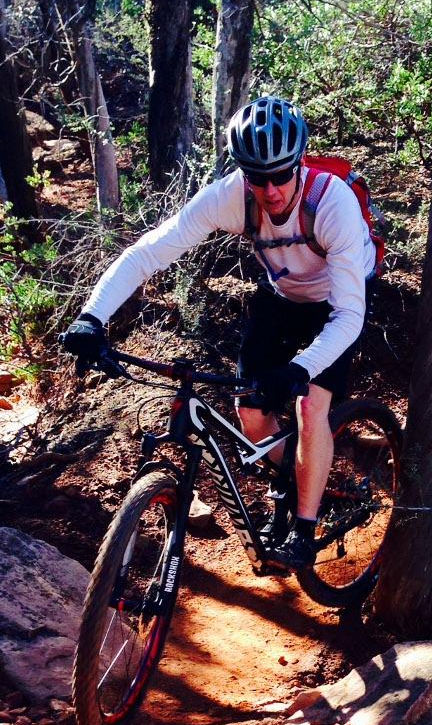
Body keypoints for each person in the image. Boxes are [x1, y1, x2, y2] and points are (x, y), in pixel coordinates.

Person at [61, 95, 378, 570]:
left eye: (280, 175)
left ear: (299, 163)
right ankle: (300, 478)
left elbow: (349, 317)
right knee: (249, 412)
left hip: (337, 301)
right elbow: (150, 251)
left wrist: (300, 368)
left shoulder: (330, 203)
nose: (270, 191)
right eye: (257, 177)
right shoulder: (231, 197)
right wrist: (93, 316)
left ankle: (306, 530)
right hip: (283, 293)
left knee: (310, 403)